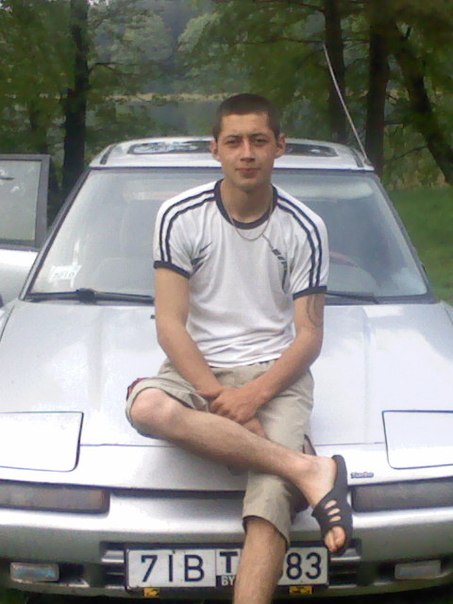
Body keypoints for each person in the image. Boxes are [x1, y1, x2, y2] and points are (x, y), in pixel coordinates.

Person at [126, 93, 352, 604]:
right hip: (196, 365)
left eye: (258, 140)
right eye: (234, 141)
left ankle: (289, 475)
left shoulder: (306, 227)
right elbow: (170, 324)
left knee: (271, 500)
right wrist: (220, 398)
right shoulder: (178, 215)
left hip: (275, 372)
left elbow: (309, 335)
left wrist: (253, 397)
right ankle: (307, 467)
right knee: (147, 406)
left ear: (279, 146)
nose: (246, 153)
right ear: (215, 150)